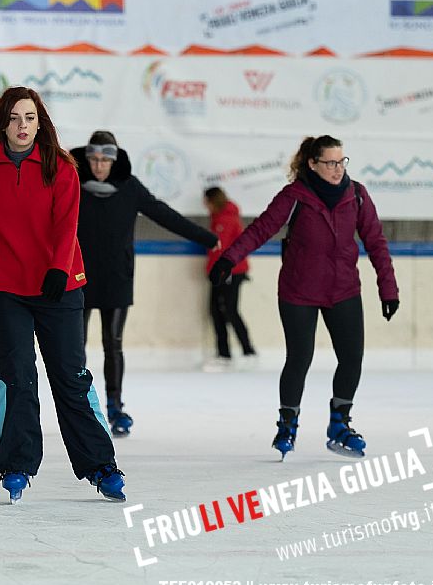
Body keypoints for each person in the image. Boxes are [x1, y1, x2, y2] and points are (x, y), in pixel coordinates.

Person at [0, 86, 125, 503]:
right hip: (4, 288)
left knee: (70, 377)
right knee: (17, 374)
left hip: (58, 285)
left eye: (30, 118)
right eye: (15, 118)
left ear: (41, 122)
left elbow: (66, 223)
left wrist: (58, 267)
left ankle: (100, 465)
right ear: (3, 121)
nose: (22, 126)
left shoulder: (61, 167)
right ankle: (17, 465)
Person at [210, 135, 399, 460]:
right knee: (300, 358)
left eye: (342, 162)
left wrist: (388, 288)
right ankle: (287, 425)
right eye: (331, 163)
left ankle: (339, 424)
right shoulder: (295, 195)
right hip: (299, 291)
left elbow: (376, 242)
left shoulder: (357, 196)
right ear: (313, 164)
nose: (338, 169)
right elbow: (260, 229)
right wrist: (228, 259)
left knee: (352, 359)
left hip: (343, 291)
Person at [72, 130, 218, 437]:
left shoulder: (130, 188)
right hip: (78, 277)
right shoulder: (71, 184)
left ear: (114, 160)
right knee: (75, 349)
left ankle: (115, 406)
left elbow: (166, 216)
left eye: (104, 160)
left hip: (117, 277)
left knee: (113, 344)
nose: (99, 166)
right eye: (94, 159)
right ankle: (80, 407)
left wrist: (206, 238)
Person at [203, 186, 256, 371]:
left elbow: (221, 249)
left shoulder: (225, 220)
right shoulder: (220, 218)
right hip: (226, 271)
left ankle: (245, 351)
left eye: (206, 201)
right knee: (218, 310)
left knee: (228, 310)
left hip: (230, 271)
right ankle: (226, 352)